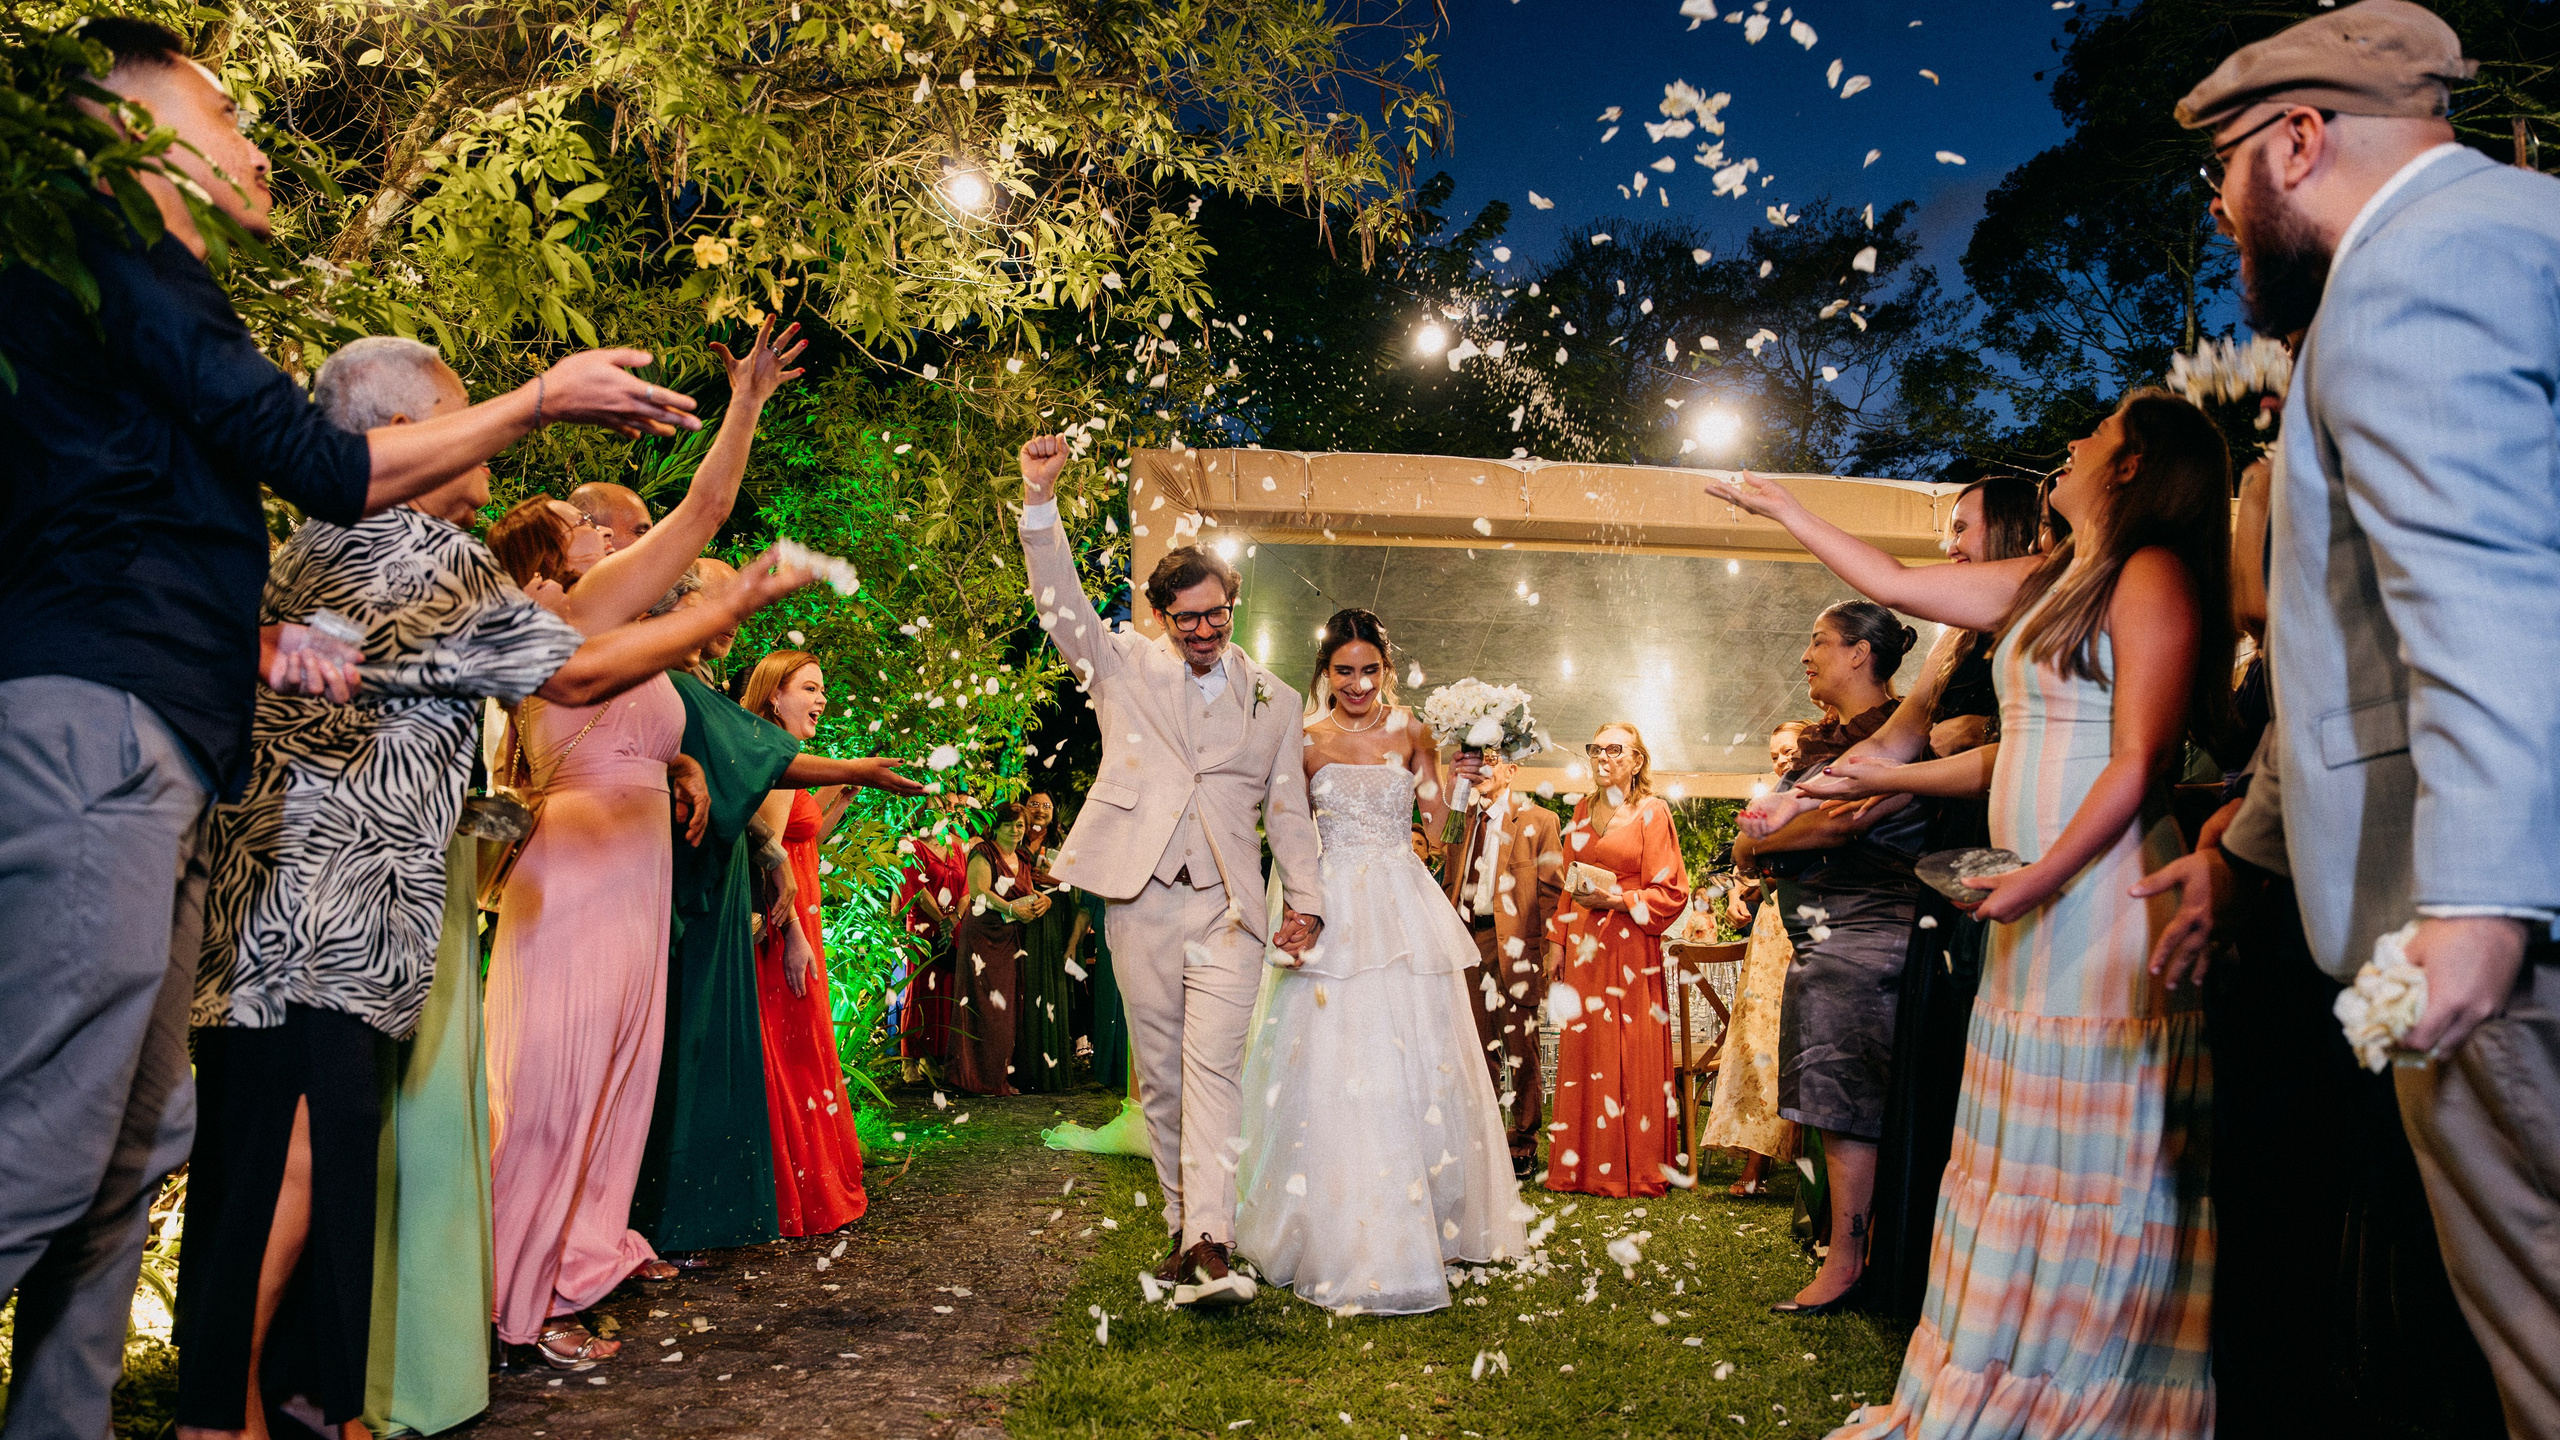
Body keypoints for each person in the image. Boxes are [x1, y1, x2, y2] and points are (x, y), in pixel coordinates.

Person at [0, 22, 695, 1432]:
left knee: (142, 1147)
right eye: (224, 112)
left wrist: (253, 643)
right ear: (129, 125)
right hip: (150, 781)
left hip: (191, 798)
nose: (255, 144)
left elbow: (124, 519)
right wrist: (545, 401)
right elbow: (321, 468)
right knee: (63, 1142)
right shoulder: (104, 258)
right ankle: (257, 1409)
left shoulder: (132, 319)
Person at [170, 332, 799, 1439]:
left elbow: (663, 553)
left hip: (279, 910)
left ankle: (286, 1407)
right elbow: (581, 671)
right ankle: (224, 1417)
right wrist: (722, 611)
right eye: (464, 421)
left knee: (278, 1166)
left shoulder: (330, 543)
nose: (490, 453)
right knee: (298, 1169)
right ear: (399, 435)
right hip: (328, 916)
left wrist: (742, 410)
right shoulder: (414, 549)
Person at [2133, 6, 2558, 1430]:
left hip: (2497, 935)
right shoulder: (2518, 229)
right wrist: (2246, 851)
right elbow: (2357, 649)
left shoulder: (2409, 270)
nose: (2221, 218)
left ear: (2299, 141)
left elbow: (2483, 594)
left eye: (2225, 176)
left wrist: (2480, 906)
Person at [1708, 386, 2231, 1435]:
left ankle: (2090, 1385)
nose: (2072, 441)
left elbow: (2139, 761)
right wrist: (1785, 507)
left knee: (2086, 1154)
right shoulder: (2054, 579)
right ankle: (1999, 1363)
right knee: (2014, 1147)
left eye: (2098, 433)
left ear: (2133, 466)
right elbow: (1897, 583)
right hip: (2029, 900)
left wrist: (2039, 879)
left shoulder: (2153, 574)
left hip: (2099, 899)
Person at [480, 321, 817, 1367]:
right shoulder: (555, 621)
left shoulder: (612, 622)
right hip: (575, 876)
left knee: (614, 1089)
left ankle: (575, 1268)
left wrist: (748, 402)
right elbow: (700, 517)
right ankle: (516, 1296)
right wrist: (742, 415)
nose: (601, 527)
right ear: (547, 556)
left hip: (635, 875)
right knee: (553, 1088)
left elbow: (706, 515)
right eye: (581, 522)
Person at [1015, 433, 1328, 1308]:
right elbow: (1059, 606)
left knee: (1214, 1071)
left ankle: (1210, 1244)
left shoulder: (1276, 700)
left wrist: (1305, 901)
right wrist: (1040, 501)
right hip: (1139, 899)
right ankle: (1183, 1228)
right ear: (1160, 617)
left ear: (1233, 605)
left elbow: (1288, 814)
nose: (1203, 631)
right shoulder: (1121, 666)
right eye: (1186, 619)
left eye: (1215, 615)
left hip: (1229, 910)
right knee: (1160, 1077)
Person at [1790, 475, 2044, 1320]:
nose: (1950, 545)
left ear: (2011, 532)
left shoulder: (2047, 614)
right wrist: (1802, 798)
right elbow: (1899, 742)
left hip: (2017, 851)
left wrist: (1911, 772)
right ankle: (1892, 1258)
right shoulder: (1955, 642)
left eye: (1962, 527)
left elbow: (1998, 752)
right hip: (1947, 866)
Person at [1234, 608, 1527, 1314]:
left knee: (1419, 1053)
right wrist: (1299, 909)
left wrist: (1461, 778)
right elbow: (1290, 835)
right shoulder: (1304, 740)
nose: (1359, 684)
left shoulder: (1411, 731)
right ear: (1325, 672)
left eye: (1370, 670)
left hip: (1400, 904)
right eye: (1345, 671)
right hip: (1333, 907)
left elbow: (1436, 826)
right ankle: (1322, 1219)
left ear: (1386, 670)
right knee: (1331, 1056)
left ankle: (1431, 1218)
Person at [630, 563, 921, 1257]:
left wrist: (845, 790)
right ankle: (713, 1205)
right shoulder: (676, 690)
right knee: (732, 1053)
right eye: (809, 687)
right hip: (720, 896)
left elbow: (784, 828)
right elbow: (760, 820)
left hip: (749, 894)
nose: (732, 616)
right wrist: (852, 774)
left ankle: (738, 1196)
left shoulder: (695, 689)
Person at [1731, 601, 1925, 1314]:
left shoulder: (1909, 736)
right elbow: (1746, 840)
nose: (1806, 655)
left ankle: (1851, 1260)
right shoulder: (1819, 743)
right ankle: (1845, 1250)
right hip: (1822, 944)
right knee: (1833, 1102)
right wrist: (1765, 840)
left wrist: (1770, 840)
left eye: (1819, 641)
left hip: (1874, 941)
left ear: (1860, 652)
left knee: (1852, 1101)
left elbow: (1840, 825)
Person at [740, 649, 867, 1238]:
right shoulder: (772, 754)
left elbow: (801, 841)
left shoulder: (786, 756)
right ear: (774, 694)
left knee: (799, 1044)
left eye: (822, 689)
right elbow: (765, 852)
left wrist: (839, 800)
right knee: (790, 1048)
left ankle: (801, 1177)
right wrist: (791, 935)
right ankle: (791, 1187)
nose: (822, 699)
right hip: (784, 921)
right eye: (809, 688)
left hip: (800, 914)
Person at [1543, 722, 1691, 1199]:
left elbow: (1671, 892)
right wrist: (1557, 942)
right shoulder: (1581, 810)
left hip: (1630, 945)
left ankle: (1634, 1168)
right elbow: (1568, 886)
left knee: (1631, 1047)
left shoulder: (1653, 811)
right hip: (1583, 946)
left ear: (1636, 761)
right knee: (1586, 1047)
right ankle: (1581, 1168)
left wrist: (1618, 899)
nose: (1603, 756)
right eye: (1596, 748)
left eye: (1614, 749)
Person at [1440, 753, 1564, 1179]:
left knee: (1520, 1049)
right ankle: (1484, 1141)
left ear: (1512, 770)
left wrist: (1549, 950)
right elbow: (1449, 877)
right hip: (1467, 941)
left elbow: (1552, 893)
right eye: (1476, 760)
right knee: (1476, 1048)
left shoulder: (1540, 820)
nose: (1482, 769)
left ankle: (1524, 1142)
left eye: (1491, 760)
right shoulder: (1461, 818)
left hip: (1514, 945)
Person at [1700, 725, 1810, 1197]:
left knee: (1799, 1037)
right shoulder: (1770, 803)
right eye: (1775, 755)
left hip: (1811, 922)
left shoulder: (1823, 794)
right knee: (1757, 1039)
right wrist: (1736, 894)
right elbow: (1741, 865)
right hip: (1770, 929)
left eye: (1790, 751)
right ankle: (1756, 1161)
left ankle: (1805, 1159)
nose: (1782, 760)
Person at [949, 802, 1041, 1097]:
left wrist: (1044, 900)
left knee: (1005, 1010)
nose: (1014, 830)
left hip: (1010, 940)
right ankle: (976, 1078)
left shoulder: (1023, 857)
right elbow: (979, 892)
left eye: (1020, 825)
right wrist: (1011, 909)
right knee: (984, 1006)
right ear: (996, 826)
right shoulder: (984, 852)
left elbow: (1028, 891)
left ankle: (999, 1075)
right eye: (1008, 824)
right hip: (983, 938)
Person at [894, 803, 968, 1087]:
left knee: (947, 990)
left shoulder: (955, 847)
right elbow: (916, 890)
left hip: (954, 924)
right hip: (924, 928)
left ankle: (935, 1057)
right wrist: (941, 920)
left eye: (939, 808)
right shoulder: (909, 848)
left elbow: (966, 889)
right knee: (921, 990)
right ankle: (911, 1058)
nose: (934, 814)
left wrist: (955, 918)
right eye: (927, 809)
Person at [1012, 792, 1075, 1093]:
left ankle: (1049, 1072)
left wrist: (1054, 882)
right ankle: (1020, 1071)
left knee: (1049, 986)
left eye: (1046, 806)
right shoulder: (1013, 840)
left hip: (1051, 922)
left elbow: (1078, 884)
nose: (1040, 810)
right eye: (1034, 805)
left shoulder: (1062, 844)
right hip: (1017, 921)